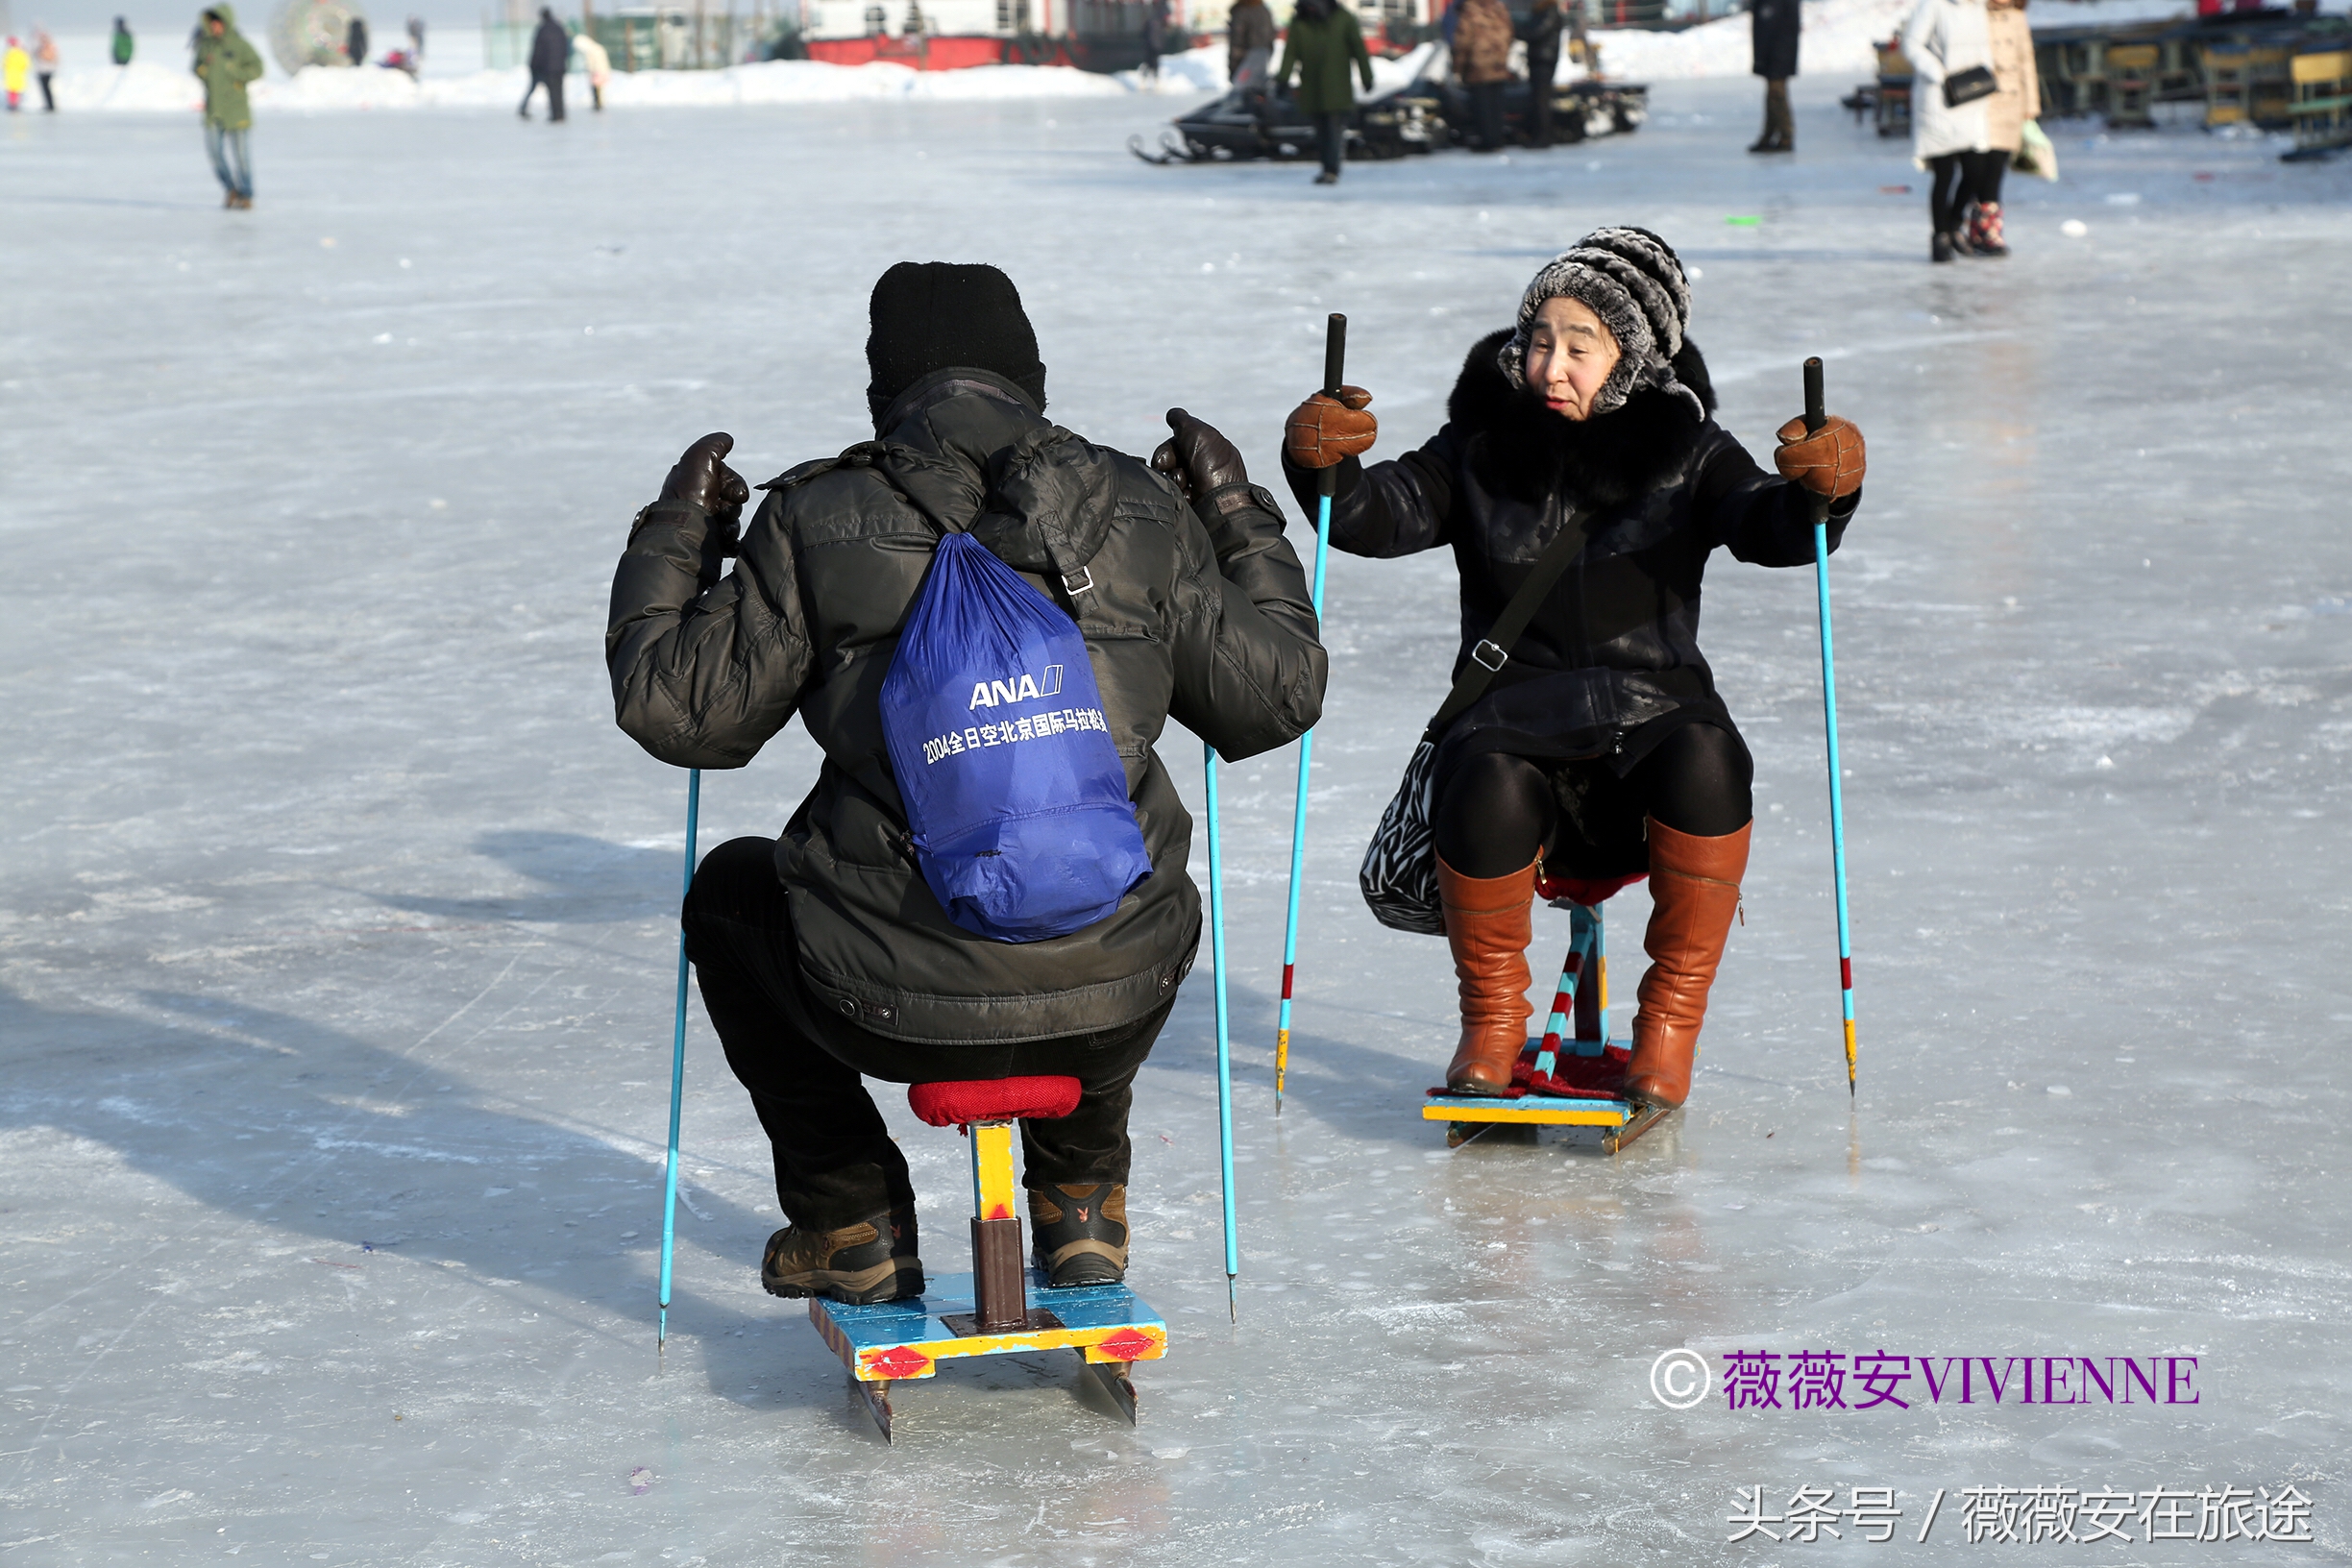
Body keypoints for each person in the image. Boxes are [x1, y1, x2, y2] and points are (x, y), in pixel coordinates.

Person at [604, 262, 1326, 1305]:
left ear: (882, 393)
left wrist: (679, 536)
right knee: (1093, 875)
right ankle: (1081, 1204)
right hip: (1119, 992)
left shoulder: (817, 516)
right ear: (1031, 382)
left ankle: (849, 1220)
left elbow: (679, 711)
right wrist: (1233, 516)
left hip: (884, 996)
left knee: (730, 895)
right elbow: (1277, 696)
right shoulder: (1135, 504)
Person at [1279, 228, 1866, 1114]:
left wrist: (1824, 492)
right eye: (1539, 340)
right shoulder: (1479, 446)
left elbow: (1768, 525)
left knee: (1710, 756)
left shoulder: (1691, 450)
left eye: (1579, 347)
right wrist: (1325, 464)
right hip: (1511, 724)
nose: (1551, 367)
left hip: (1652, 719)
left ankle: (1667, 1027)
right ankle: (1491, 1024)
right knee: (1485, 776)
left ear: (1630, 358)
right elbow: (1377, 515)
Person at [1902, 0, 1999, 260]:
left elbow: (1984, 47)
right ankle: (1940, 236)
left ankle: (1955, 223)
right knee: (1944, 174)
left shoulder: (1978, 6)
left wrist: (1987, 76)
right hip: (1939, 100)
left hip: (1971, 95)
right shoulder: (1932, 5)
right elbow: (1911, 43)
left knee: (1976, 170)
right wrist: (1939, 74)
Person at [1970, 0, 2040, 257]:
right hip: (1980, 99)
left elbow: (2026, 61)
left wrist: (2031, 103)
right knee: (1975, 167)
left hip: (2010, 101)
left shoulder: (2017, 18)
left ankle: (1990, 230)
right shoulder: (1973, 13)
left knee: (1996, 167)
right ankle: (1973, 224)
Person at [1276, 0, 1372, 185]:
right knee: (1324, 131)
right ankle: (1329, 168)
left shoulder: (1339, 19)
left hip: (1333, 86)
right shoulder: (1306, 21)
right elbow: (1291, 52)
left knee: (1332, 129)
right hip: (1316, 87)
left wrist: (1366, 76)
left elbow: (1358, 49)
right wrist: (1283, 78)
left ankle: (1331, 169)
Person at [193, 6, 263, 208]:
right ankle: (231, 189)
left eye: (218, 22)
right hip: (214, 109)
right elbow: (197, 67)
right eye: (212, 22)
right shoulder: (206, 45)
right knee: (215, 155)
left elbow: (257, 68)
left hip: (236, 109)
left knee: (242, 157)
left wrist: (236, 73)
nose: (215, 26)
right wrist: (204, 70)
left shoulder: (240, 45)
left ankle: (246, 194)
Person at [1451, 0, 1515, 152]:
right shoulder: (1499, 9)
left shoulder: (1470, 11)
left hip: (1478, 64)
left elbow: (1463, 40)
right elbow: (1510, 33)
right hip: (1498, 63)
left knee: (1482, 105)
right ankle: (1496, 138)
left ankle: (1487, 140)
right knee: (1496, 104)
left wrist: (1458, 67)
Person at [1749, 0, 1798, 152]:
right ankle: (1770, 135)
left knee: (1776, 94)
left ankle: (1785, 136)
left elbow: (1770, 26)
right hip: (1776, 52)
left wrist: (1764, 57)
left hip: (1778, 53)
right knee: (1773, 95)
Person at [1518, 0, 1564, 147]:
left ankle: (1543, 136)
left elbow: (1538, 32)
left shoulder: (1549, 11)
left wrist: (1519, 32)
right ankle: (1538, 135)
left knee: (1541, 101)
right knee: (1538, 100)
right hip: (1540, 59)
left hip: (1544, 60)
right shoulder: (1542, 11)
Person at [520, 6, 568, 121]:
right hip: (560, 66)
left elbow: (538, 50)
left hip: (548, 67)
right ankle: (560, 114)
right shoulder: (559, 28)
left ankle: (555, 115)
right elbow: (565, 46)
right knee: (559, 91)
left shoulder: (542, 29)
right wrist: (563, 60)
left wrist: (534, 65)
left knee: (552, 92)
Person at [1227, 0, 1274, 93]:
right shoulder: (1264, 10)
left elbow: (1237, 42)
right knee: (1258, 92)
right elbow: (1271, 38)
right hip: (1263, 57)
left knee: (1241, 93)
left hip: (1245, 60)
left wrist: (1233, 68)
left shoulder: (1241, 11)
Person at [574, 25, 609, 110]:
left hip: (598, 72)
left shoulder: (595, 50)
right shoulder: (594, 49)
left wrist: (595, 70)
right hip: (596, 71)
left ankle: (598, 103)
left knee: (598, 88)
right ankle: (597, 103)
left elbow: (598, 62)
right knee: (595, 88)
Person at [33, 27, 58, 110]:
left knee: (46, 88)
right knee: (46, 88)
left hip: (45, 70)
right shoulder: (50, 46)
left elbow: (42, 58)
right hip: (46, 70)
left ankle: (50, 105)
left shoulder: (43, 47)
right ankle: (49, 104)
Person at [3, 37, 26, 110]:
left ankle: (14, 104)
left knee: (14, 90)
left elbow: (24, 63)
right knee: (12, 90)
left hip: (15, 73)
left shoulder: (15, 52)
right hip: (12, 73)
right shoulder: (11, 52)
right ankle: (13, 104)